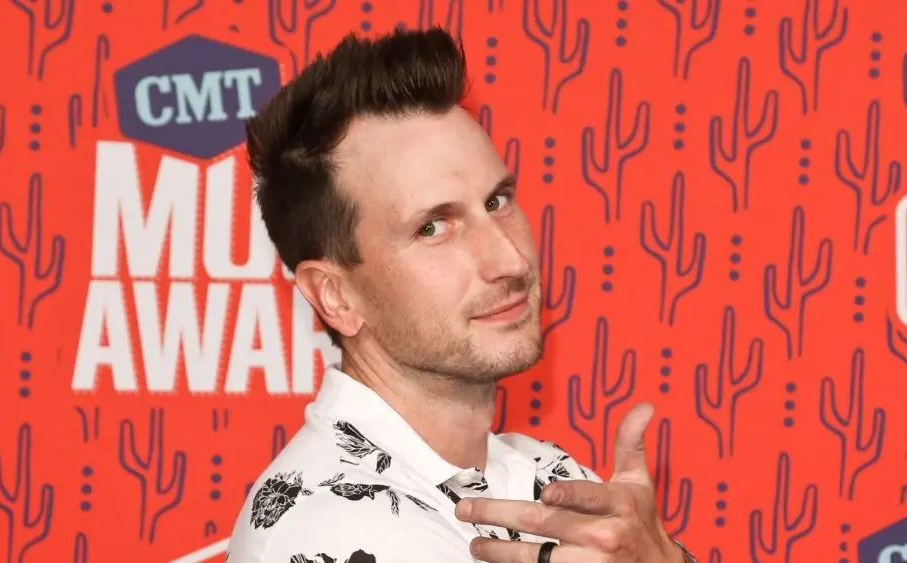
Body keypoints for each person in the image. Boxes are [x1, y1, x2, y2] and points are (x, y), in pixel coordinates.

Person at [225, 26, 697, 563]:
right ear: (334, 296)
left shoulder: (544, 477)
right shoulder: (331, 523)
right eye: (433, 227)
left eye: (497, 202)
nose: (510, 261)